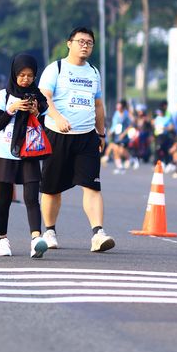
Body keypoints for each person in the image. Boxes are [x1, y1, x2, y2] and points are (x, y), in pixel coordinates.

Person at [38, 27, 115, 253]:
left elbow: (98, 105)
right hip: (57, 135)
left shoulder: (93, 72)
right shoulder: (56, 68)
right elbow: (44, 97)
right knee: (51, 188)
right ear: (69, 43)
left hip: (87, 137)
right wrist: (57, 117)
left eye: (89, 43)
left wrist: (101, 133)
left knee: (92, 186)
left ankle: (98, 234)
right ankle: (49, 231)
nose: (85, 46)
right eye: (81, 41)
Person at [0, 53, 49, 258]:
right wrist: (12, 109)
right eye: (22, 75)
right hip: (6, 153)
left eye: (30, 75)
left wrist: (35, 113)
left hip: (29, 152)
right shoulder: (3, 95)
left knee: (31, 198)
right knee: (4, 199)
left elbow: (44, 128)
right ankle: (1, 240)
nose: (25, 79)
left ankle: (36, 239)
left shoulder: (39, 98)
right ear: (14, 74)